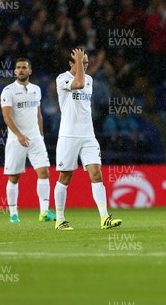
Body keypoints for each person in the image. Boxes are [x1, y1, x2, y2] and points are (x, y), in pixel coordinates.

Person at [54, 48, 122, 230]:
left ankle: (105, 218)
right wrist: (80, 64)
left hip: (88, 135)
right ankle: (60, 219)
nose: (85, 65)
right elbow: (77, 83)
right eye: (80, 62)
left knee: (96, 173)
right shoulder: (62, 79)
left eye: (86, 62)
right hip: (68, 135)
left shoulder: (89, 80)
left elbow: (82, 80)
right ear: (70, 64)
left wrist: (84, 64)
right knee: (65, 176)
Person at [0, 58, 55, 224]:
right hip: (16, 140)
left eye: (24, 67)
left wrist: (41, 135)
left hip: (35, 138)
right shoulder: (8, 91)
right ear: (15, 71)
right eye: (18, 68)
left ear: (30, 71)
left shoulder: (36, 90)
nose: (21, 70)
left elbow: (38, 114)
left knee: (44, 172)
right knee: (14, 177)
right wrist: (18, 135)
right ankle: (13, 214)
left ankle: (44, 212)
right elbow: (6, 116)